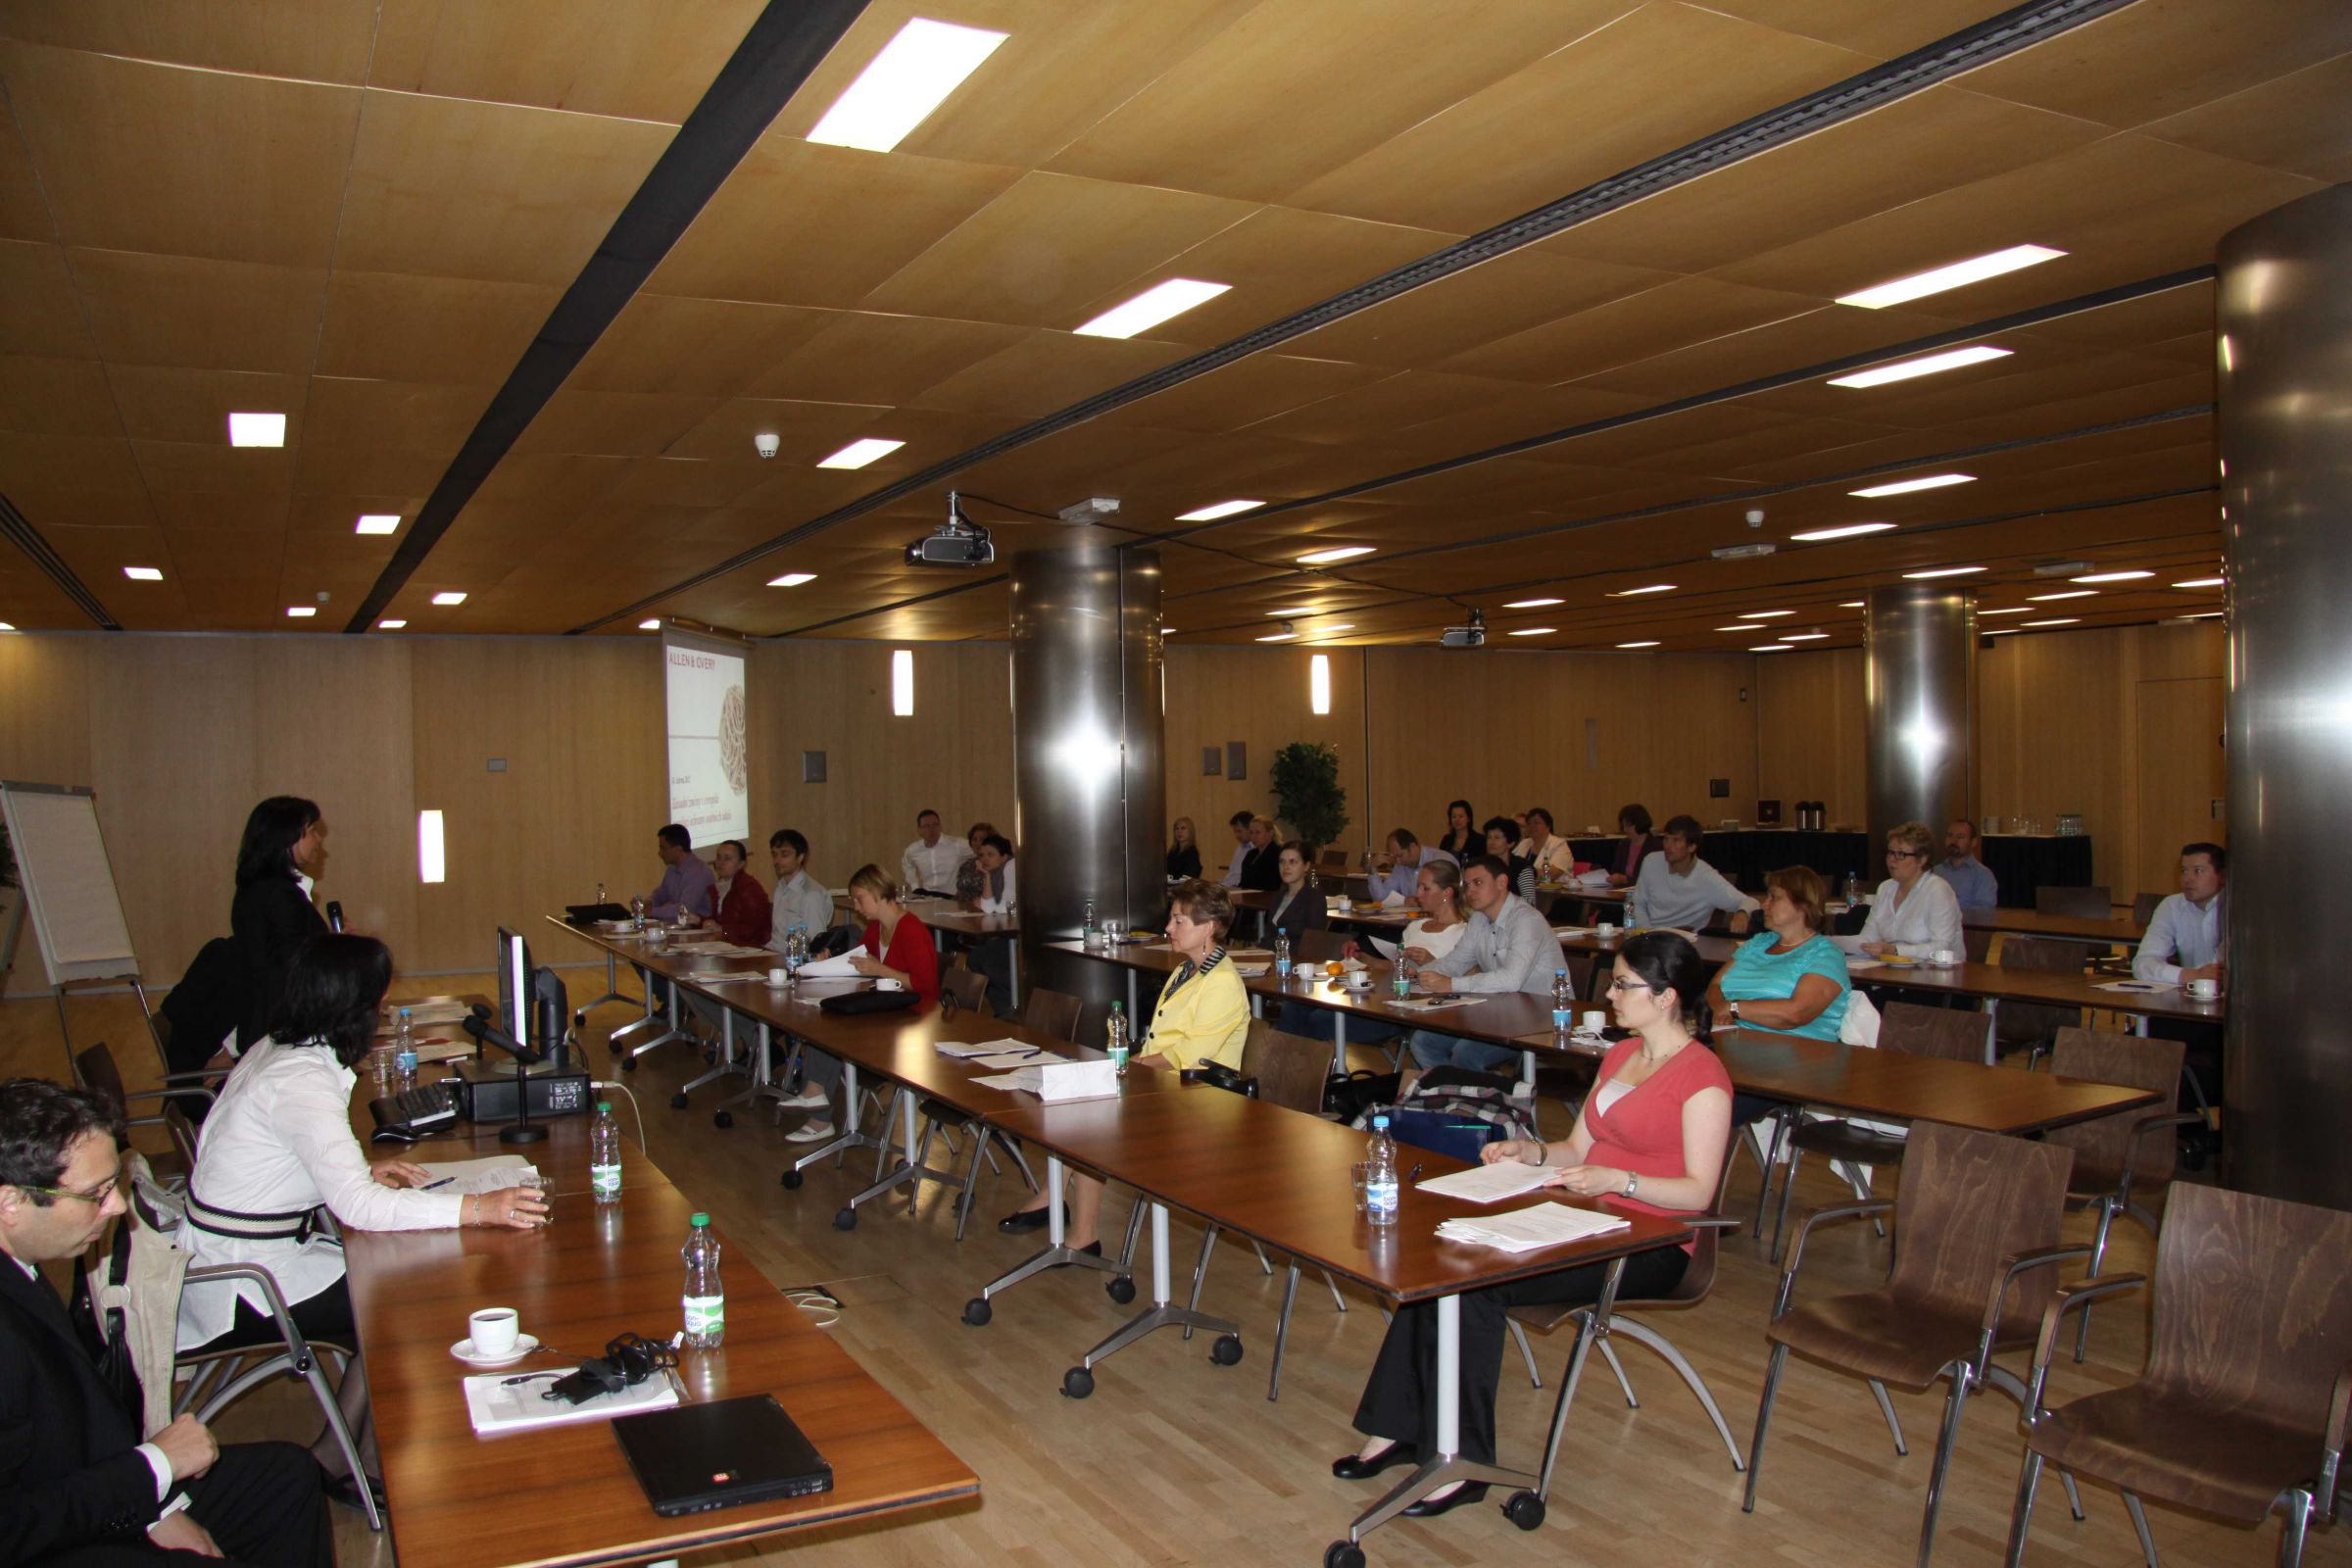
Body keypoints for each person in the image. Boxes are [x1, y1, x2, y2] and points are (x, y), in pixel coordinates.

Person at [1341, 933, 1732, 1512]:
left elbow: (1698, 1192)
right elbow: (1577, 1148)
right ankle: (1398, 1428)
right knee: (1443, 1260)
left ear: (1666, 996)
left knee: (1475, 1284)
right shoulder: (1622, 1055)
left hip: (1656, 1241)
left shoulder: (1702, 1077)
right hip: (1587, 1215)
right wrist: (1531, 1152)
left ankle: (1462, 1460)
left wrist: (1618, 1181)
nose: (1610, 995)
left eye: (1623, 985)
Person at [179, 935, 546, 1506]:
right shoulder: (301, 1080)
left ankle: (338, 1455)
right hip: (246, 1278)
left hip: (238, 1250)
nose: (383, 1009)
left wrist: (357, 1169)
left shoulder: (277, 1047)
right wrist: (481, 1208)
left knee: (391, 1280)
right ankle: (357, 1464)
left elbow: (274, 1161)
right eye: (378, 1000)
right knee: (399, 1301)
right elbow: (357, 1208)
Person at [0, 1077, 336, 1568]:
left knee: (284, 1477)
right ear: (10, 1203)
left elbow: (82, 1417)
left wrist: (158, 1506)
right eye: (95, 1194)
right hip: (42, 1540)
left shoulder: (21, 1262)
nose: (117, 1206)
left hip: (79, 1494)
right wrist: (154, 1467)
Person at [1002, 882, 1248, 1255]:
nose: (1168, 927)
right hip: (1165, 1085)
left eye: (1179, 921)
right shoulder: (1187, 970)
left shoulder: (1222, 982)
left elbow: (1191, 1055)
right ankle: (1066, 1213)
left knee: (1090, 1117)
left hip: (1201, 1099)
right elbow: (1161, 1043)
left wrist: (1132, 1066)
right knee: (1080, 1106)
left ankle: (1073, 1222)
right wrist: (1131, 1065)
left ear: (1209, 927)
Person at [781, 865, 940, 1147]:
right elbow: (859, 965)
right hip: (889, 1010)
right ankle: (816, 1099)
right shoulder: (877, 927)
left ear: (879, 893)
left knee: (836, 1029)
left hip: (916, 1018)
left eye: (859, 899)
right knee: (827, 1020)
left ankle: (818, 1110)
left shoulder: (911, 929)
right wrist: (830, 963)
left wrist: (881, 969)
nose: (856, 907)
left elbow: (926, 986)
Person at [1399, 856, 1555, 1077]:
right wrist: (1419, 974)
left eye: (1478, 883)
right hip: (1498, 1010)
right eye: (1467, 884)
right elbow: (1456, 961)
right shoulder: (1479, 919)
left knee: (1466, 1052)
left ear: (1502, 882)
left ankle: (1484, 1094)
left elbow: (1511, 980)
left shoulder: (1527, 920)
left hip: (1541, 1016)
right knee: (1423, 1041)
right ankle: (1454, 1092)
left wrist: (1450, 984)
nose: (1470, 891)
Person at [1281, 861, 1469, 1042]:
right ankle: (1286, 1060)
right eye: (1418, 886)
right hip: (1384, 996)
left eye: (1425, 888)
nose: (1418, 894)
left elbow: (1463, 980)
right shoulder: (1415, 927)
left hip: (1411, 1008)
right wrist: (1361, 957)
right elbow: (1391, 967)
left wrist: (1431, 962)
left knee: (1319, 1021)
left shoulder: (1463, 932)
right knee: (1295, 1006)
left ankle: (1300, 1059)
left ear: (1447, 892)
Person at [229, 797, 329, 1053]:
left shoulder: (260, 888)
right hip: (281, 1031)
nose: (318, 839)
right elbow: (294, 965)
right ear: (287, 836)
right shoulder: (277, 895)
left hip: (273, 1024)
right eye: (311, 831)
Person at [1709, 866, 1851, 1043]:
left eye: (1774, 897)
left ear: (1803, 905)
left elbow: (1796, 1014)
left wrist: (1733, 1009)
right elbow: (1715, 985)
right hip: (1733, 1040)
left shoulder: (1825, 954)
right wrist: (1720, 1012)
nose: (1764, 905)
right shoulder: (1758, 943)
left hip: (1798, 1051)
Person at [1628, 815, 1758, 933]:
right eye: (1666, 839)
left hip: (1683, 942)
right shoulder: (1651, 861)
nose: (1668, 846)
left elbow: (1750, 902)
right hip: (1649, 936)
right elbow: (1638, 902)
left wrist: (1742, 912)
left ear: (1692, 847)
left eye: (1676, 840)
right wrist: (1647, 933)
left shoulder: (1706, 877)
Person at [1858, 820, 1964, 958]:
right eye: (1890, 853)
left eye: (1901, 854)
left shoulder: (1938, 890)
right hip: (1889, 967)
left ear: (1922, 859)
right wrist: (1836, 944)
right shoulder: (1885, 888)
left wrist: (1895, 950)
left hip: (1935, 969)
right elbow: (1867, 938)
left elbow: (1942, 947)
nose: (1892, 860)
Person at [2134, 842, 2227, 987]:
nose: (2187, 879)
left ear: (2222, 876)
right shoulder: (2172, 905)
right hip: (2190, 993)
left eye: (2198, 871)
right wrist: (2190, 975)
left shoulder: (2239, 908)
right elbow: (2142, 964)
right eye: (2184, 871)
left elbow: (2220, 973)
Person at [964, 834, 1018, 1016]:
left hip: (1018, 933)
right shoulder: (995, 873)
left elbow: (1000, 907)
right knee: (976, 958)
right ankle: (1003, 1008)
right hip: (1004, 930)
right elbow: (990, 908)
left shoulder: (1011, 867)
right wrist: (986, 876)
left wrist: (988, 905)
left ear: (1004, 856)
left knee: (986, 960)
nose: (985, 859)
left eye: (990, 855)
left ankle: (1009, 1007)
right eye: (982, 855)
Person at [766, 829, 833, 949]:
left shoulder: (812, 894)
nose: (777, 860)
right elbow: (777, 937)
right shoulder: (780, 886)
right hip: (773, 951)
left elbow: (815, 942)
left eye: (784, 855)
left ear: (800, 857)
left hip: (793, 956)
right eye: (774, 855)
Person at [699, 840, 769, 947]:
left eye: (727, 858)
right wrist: (700, 921)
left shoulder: (749, 888)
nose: (721, 862)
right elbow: (719, 922)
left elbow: (755, 930)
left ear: (741, 864)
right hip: (728, 945)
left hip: (750, 948)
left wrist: (722, 929)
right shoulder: (718, 887)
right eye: (718, 857)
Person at [643, 823, 715, 922]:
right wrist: (648, 903)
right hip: (679, 926)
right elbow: (661, 893)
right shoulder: (672, 869)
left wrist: (652, 912)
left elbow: (684, 911)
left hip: (697, 928)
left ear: (678, 849)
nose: (660, 853)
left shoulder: (699, 872)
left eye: (663, 848)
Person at [1261, 840, 1327, 947]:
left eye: (1292, 862)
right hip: (1272, 952)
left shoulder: (1314, 899)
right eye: (1282, 861)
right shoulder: (1277, 896)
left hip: (1297, 955)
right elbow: (1269, 934)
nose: (1286, 867)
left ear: (1306, 866)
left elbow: (1314, 941)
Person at [1364, 827, 1454, 902]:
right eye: (1394, 857)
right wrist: (1372, 869)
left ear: (1413, 847)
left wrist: (1416, 901)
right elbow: (1381, 897)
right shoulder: (1401, 866)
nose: (1398, 861)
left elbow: (1449, 897)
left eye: (1400, 855)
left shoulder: (1441, 860)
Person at [1932, 818, 1998, 910]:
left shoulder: (1983, 875)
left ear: (1973, 842)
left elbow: (1984, 912)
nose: (1953, 841)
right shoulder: (1935, 872)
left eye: (1960, 837)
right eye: (1950, 836)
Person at [900, 809, 969, 899]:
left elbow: (979, 851)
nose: (931, 829)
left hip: (951, 898)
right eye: (926, 826)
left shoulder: (957, 845)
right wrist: (915, 886)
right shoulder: (913, 850)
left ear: (940, 826)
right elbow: (907, 865)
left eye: (935, 825)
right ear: (919, 830)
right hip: (927, 898)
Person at [1603, 804, 1658, 888]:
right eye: (1623, 826)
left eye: (1628, 825)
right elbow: (1615, 870)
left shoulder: (1655, 846)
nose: (1625, 829)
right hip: (1621, 890)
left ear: (1640, 823)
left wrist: (1625, 879)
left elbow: (1654, 879)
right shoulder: (1624, 844)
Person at [1483, 816, 1536, 900]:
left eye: (1497, 838)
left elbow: (1529, 901)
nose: (1491, 842)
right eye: (1489, 837)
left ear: (1510, 843)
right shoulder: (1480, 865)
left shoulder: (1522, 868)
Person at [1519, 808, 1575, 885]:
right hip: (1526, 888)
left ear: (1548, 826)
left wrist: (1526, 873)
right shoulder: (1524, 843)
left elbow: (1552, 874)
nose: (1531, 826)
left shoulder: (1559, 844)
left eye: (1536, 823)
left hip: (1554, 891)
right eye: (1529, 823)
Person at [953, 821, 996, 905]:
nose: (978, 843)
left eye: (982, 839)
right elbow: (960, 893)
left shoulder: (997, 865)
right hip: (963, 909)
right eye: (974, 839)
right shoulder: (967, 865)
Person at [1237, 815, 1282, 892]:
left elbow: (1273, 884)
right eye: (1251, 833)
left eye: (1258, 832)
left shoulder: (1278, 854)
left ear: (1270, 833)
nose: (1253, 836)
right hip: (1248, 895)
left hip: (1267, 896)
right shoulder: (1251, 854)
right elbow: (1243, 882)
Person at [1216, 809, 1255, 888]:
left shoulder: (1256, 850)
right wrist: (1219, 884)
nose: (1237, 835)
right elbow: (1232, 874)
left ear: (1250, 829)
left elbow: (1242, 879)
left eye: (1239, 831)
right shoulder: (1239, 849)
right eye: (1235, 832)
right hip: (1230, 886)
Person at [1165, 817, 1201, 881]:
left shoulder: (1192, 853)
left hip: (1184, 886)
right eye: (1177, 829)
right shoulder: (1173, 851)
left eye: (1183, 828)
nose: (1179, 832)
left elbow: (1189, 876)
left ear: (1190, 831)